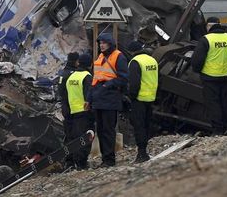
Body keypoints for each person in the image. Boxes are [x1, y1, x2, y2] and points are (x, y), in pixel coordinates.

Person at [191, 17, 227, 135]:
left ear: (208, 26)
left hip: (209, 78)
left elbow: (197, 60)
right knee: (224, 102)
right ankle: (226, 126)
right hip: (225, 77)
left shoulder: (206, 39)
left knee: (213, 104)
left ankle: (217, 130)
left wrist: (198, 70)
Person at [88, 32, 128, 167]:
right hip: (99, 99)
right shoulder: (100, 57)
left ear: (110, 44)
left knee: (108, 131)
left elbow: (123, 79)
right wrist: (89, 99)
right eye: (100, 43)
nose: (101, 45)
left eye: (104, 43)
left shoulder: (119, 56)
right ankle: (105, 158)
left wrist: (108, 84)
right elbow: (94, 79)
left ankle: (109, 160)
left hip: (110, 99)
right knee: (100, 130)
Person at [127, 40, 159, 163]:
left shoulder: (135, 62)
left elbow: (134, 83)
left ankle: (142, 153)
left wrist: (131, 96)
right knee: (146, 125)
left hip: (139, 99)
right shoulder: (152, 60)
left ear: (132, 52)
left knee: (138, 126)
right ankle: (145, 151)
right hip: (150, 97)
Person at [61, 53, 93, 169]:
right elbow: (88, 96)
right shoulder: (87, 76)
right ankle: (81, 164)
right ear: (90, 65)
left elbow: (66, 95)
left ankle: (73, 163)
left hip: (73, 111)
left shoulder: (71, 77)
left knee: (74, 139)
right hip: (84, 112)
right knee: (85, 139)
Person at [58, 51, 79, 166]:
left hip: (65, 107)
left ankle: (68, 161)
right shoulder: (74, 74)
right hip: (74, 108)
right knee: (76, 135)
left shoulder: (63, 73)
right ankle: (73, 160)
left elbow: (60, 92)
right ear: (76, 61)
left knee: (68, 135)